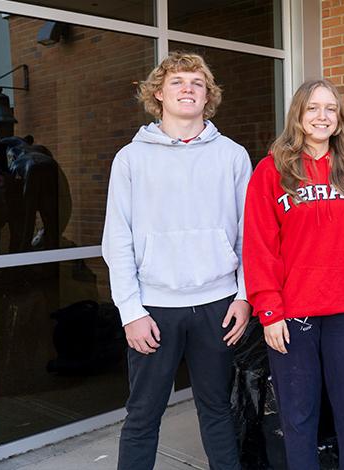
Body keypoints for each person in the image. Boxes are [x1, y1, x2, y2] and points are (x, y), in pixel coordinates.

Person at [102, 51, 251, 470]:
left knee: (218, 409)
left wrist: (243, 296)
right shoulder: (131, 158)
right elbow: (117, 240)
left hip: (218, 304)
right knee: (143, 415)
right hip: (154, 307)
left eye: (197, 83)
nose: (188, 88)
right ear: (158, 95)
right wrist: (130, 311)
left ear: (208, 97)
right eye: (178, 82)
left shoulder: (233, 156)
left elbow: (249, 235)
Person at [243, 79, 344, 470]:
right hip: (292, 312)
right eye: (313, 108)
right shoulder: (271, 171)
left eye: (330, 109)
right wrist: (268, 309)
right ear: (299, 116)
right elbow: (259, 245)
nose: (322, 116)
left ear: (339, 120)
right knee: (298, 418)